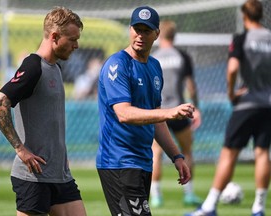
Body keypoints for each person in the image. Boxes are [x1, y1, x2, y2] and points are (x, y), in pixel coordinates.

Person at [96, 6, 195, 216]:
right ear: (130, 29)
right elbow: (123, 113)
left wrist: (176, 156)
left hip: (142, 161)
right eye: (136, 29)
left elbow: (156, 119)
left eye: (146, 30)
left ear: (157, 34)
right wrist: (169, 113)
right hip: (118, 161)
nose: (140, 35)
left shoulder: (154, 66)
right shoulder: (117, 65)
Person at [0, 7, 87, 216]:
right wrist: (20, 149)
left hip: (60, 175)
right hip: (33, 177)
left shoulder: (56, 68)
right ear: (54, 36)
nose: (76, 45)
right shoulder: (34, 66)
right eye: (72, 39)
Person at [185, 0, 271, 215]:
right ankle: (259, 207)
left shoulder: (242, 38)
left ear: (244, 16)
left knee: (228, 154)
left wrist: (232, 93)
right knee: (262, 154)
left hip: (247, 104)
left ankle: (210, 206)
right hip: (268, 104)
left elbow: (232, 69)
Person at [150, 20, 202, 208]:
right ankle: (189, 194)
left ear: (159, 35)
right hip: (179, 111)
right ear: (174, 35)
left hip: (159, 112)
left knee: (156, 153)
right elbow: (191, 86)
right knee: (186, 150)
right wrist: (195, 108)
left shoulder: (153, 57)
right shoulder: (182, 56)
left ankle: (156, 196)